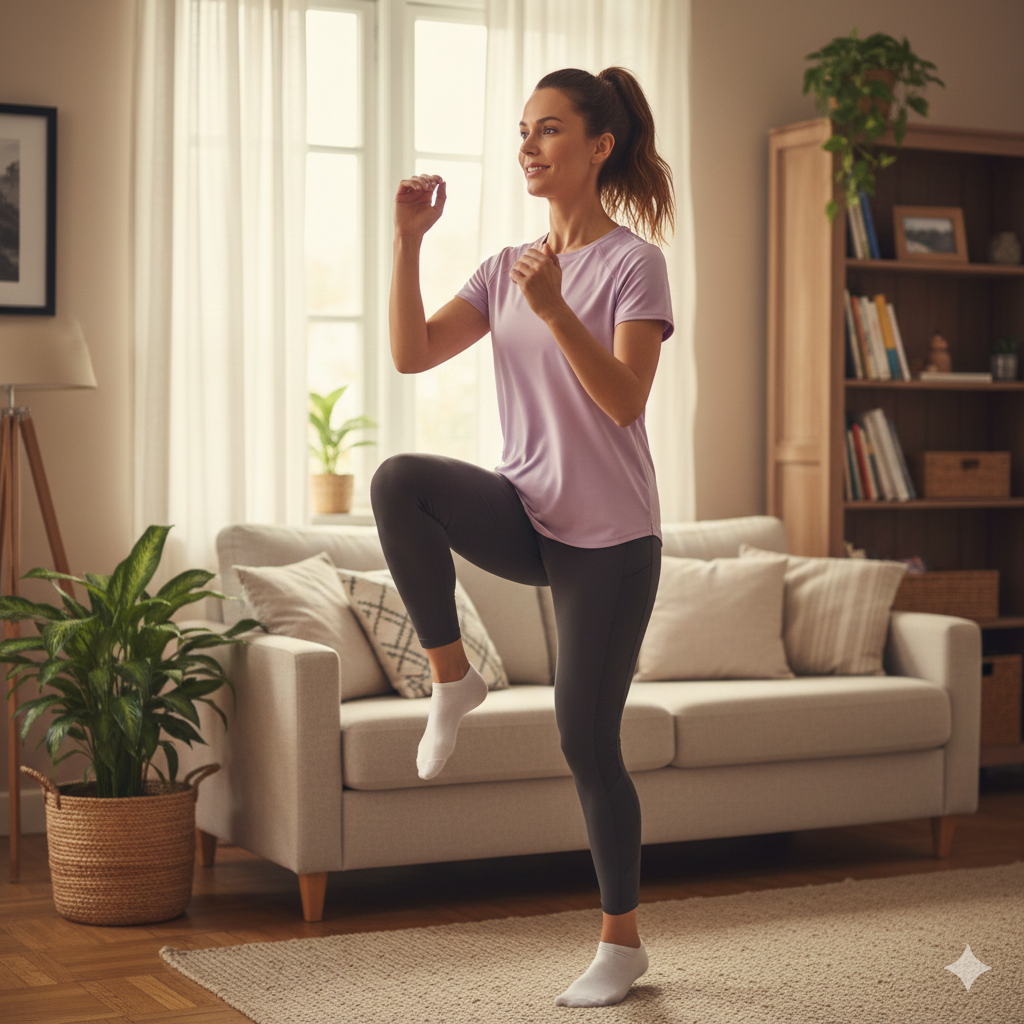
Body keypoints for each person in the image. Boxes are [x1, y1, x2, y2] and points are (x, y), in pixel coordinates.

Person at [371, 65, 675, 1008]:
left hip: (611, 542)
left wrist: (553, 310)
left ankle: (620, 944)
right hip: (528, 511)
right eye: (523, 131)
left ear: (599, 146)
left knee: (585, 739)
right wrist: (407, 242)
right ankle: (453, 678)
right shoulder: (507, 265)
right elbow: (413, 353)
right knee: (399, 482)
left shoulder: (634, 264)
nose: (529, 147)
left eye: (549, 130)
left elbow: (625, 401)